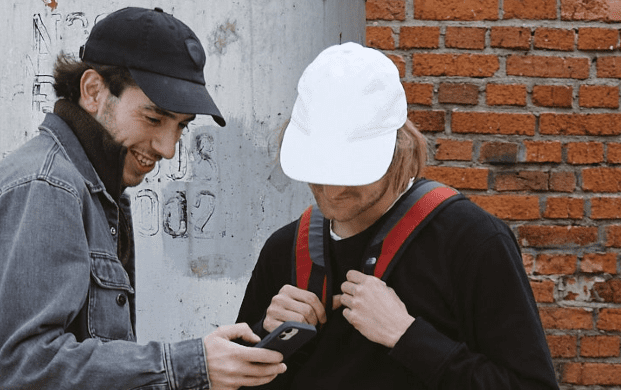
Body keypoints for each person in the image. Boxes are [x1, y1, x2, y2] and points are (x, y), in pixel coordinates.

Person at [0, 7, 286, 389]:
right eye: (154, 119)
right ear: (93, 91)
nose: (169, 148)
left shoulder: (97, 191)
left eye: (181, 128)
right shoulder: (44, 188)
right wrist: (187, 365)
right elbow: (29, 369)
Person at [236, 42, 559, 389]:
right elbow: (236, 381)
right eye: (318, 169)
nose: (331, 191)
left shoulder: (472, 242)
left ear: (397, 149)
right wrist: (265, 337)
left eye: (350, 171)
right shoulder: (283, 249)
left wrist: (408, 337)